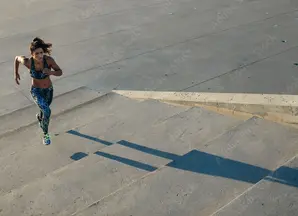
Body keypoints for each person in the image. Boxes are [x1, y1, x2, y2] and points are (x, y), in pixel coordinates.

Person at [14, 37, 63, 145]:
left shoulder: (49, 60)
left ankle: (40, 118)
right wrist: (16, 73)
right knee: (47, 111)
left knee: (44, 110)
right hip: (36, 91)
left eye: (41, 52)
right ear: (32, 54)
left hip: (49, 90)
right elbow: (17, 58)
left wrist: (51, 73)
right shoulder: (28, 62)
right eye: (37, 53)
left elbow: (60, 72)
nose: (40, 56)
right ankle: (45, 134)